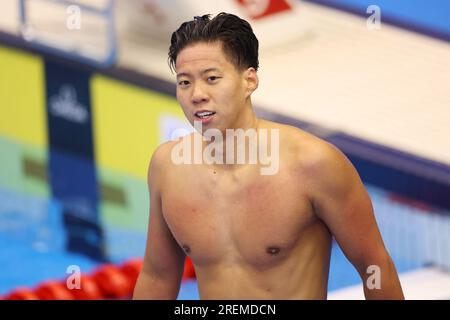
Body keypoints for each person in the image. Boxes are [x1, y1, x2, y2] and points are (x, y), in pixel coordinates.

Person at [133, 12, 404, 300]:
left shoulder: (314, 165)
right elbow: (158, 276)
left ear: (249, 81)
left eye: (212, 78)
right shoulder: (168, 167)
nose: (197, 94)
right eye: (184, 82)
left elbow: (375, 267)